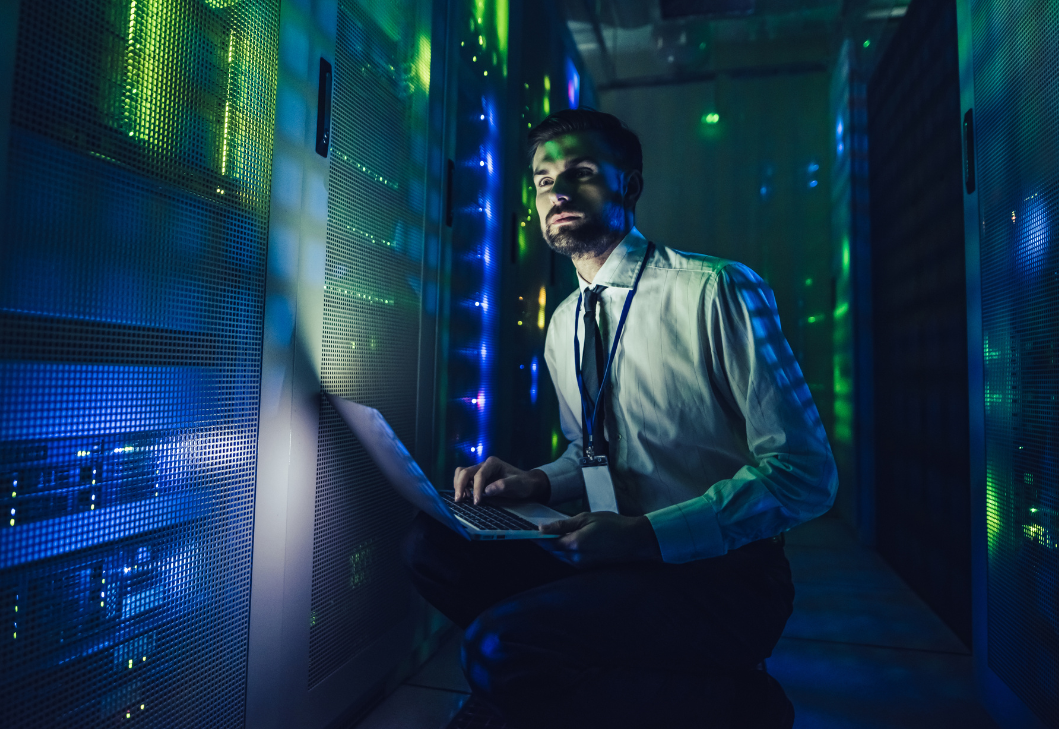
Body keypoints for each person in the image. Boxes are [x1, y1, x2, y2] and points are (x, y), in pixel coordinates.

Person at [402, 108, 837, 729]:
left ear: (628, 186)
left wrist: (645, 536)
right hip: (611, 552)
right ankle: (575, 676)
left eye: (579, 173)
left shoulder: (716, 290)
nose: (557, 192)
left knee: (497, 646)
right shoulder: (564, 323)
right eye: (544, 180)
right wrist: (537, 483)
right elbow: (592, 454)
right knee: (431, 545)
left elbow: (805, 475)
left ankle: (737, 706)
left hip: (723, 578)